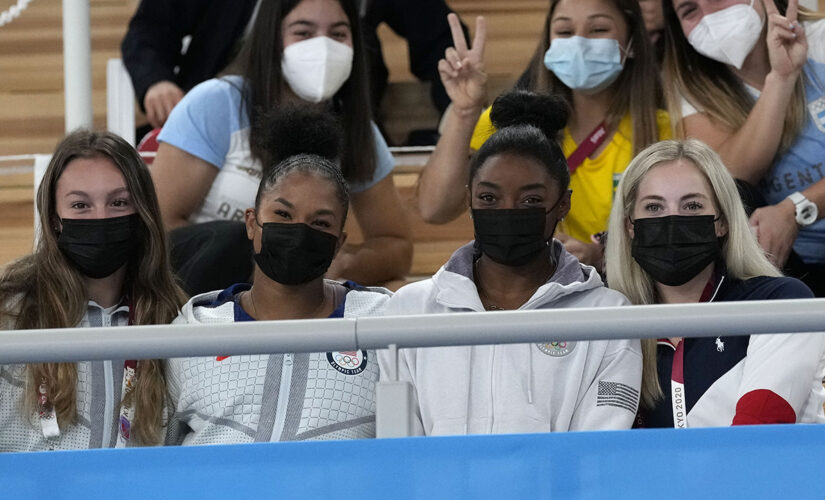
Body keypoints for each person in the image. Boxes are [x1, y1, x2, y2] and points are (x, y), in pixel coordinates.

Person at [378, 91, 642, 436]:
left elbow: (598, 450)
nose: (507, 211)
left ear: (563, 204)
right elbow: (398, 446)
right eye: (488, 198)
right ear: (470, 197)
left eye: (531, 200)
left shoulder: (609, 317)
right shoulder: (409, 311)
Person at [151, 0, 412, 285]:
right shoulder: (216, 104)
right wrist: (263, 273)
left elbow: (396, 245)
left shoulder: (357, 129)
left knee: (400, 290)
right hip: (207, 293)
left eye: (338, 34)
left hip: (309, 302)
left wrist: (346, 264)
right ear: (271, 38)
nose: (323, 48)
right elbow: (158, 227)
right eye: (303, 33)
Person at [416, 0, 670, 270]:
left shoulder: (663, 129)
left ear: (632, 42)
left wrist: (601, 255)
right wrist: (464, 110)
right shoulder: (508, 118)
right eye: (564, 32)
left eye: (598, 29)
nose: (579, 43)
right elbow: (435, 209)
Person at [165, 152, 392, 445]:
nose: (298, 232)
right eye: (283, 215)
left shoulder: (384, 324)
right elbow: (156, 451)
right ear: (251, 222)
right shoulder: (193, 332)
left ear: (339, 244)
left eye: (320, 223)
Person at [605, 138, 825, 427]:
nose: (673, 220)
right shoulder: (609, 324)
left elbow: (758, 431)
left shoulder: (780, 302)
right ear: (629, 227)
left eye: (692, 205)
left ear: (723, 221)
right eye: (654, 208)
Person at [0, 130, 187, 452]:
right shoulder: (9, 310)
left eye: (118, 202)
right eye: (80, 205)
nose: (101, 217)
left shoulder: (176, 317)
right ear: (55, 219)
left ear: (141, 213)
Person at [661, 0, 825, 295]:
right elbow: (730, 179)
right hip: (785, 264)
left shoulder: (819, 37)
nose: (710, 16)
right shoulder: (691, 85)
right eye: (689, 10)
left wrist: (795, 209)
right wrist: (781, 78)